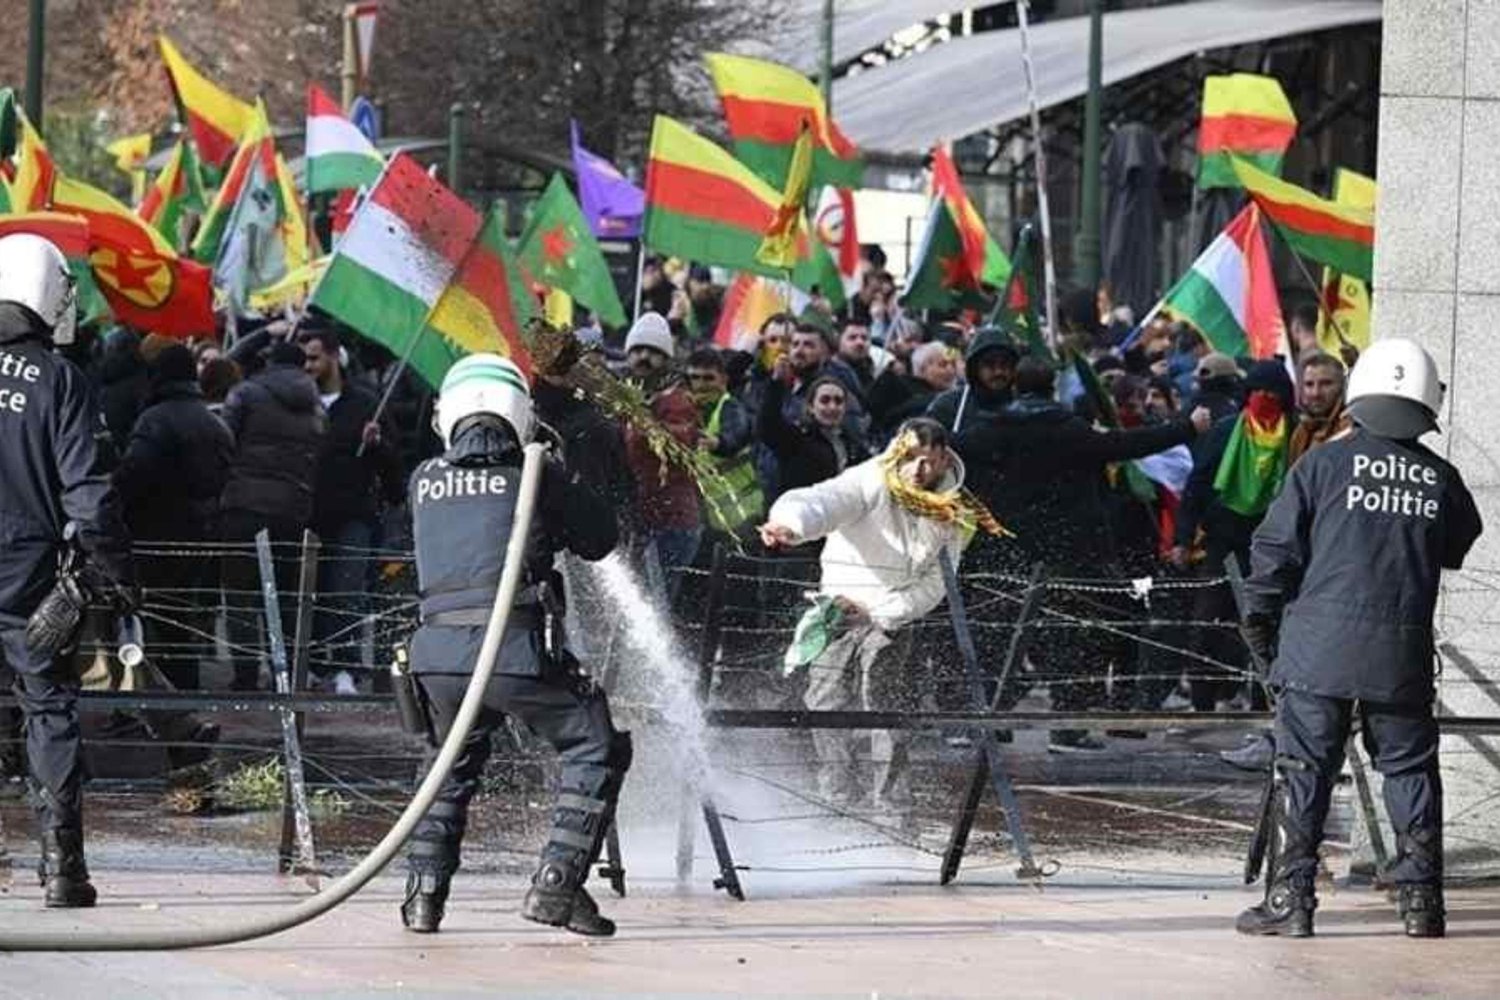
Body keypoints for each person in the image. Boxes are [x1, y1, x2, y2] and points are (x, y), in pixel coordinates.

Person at [1235, 338, 1480, 939]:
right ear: (1427, 401)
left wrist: (1259, 627)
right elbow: (1458, 543)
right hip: (1399, 652)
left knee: (1304, 769)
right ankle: (1423, 904)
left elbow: (1272, 555)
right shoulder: (1439, 478)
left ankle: (1292, 903)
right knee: (1410, 771)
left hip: (1317, 648)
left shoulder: (1321, 465)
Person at [400, 354, 626, 937]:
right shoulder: (535, 472)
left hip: (439, 659)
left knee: (447, 766)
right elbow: (601, 538)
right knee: (594, 745)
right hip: (516, 649)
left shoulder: (423, 478)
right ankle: (557, 884)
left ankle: (423, 898)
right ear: (519, 413)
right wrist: (560, 471)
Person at [955, 356, 1211, 751]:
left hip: (1011, 549)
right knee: (1073, 639)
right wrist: (1186, 428)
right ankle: (1067, 725)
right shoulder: (1069, 429)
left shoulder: (991, 428)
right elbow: (1126, 445)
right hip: (1071, 551)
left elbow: (955, 446)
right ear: (1052, 387)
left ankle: (989, 718)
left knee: (1006, 638)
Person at [761, 418, 1000, 808]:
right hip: (838, 608)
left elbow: (937, 584)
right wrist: (790, 525)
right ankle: (837, 795)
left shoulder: (953, 510)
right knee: (826, 700)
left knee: (883, 705)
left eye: (929, 461)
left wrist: (881, 614)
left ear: (944, 461)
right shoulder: (867, 480)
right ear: (895, 452)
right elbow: (821, 500)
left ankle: (892, 806)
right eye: (910, 458)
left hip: (894, 615)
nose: (918, 470)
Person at [0, 234, 134, 907]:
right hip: (29, 574)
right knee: (49, 711)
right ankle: (62, 867)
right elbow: (90, 491)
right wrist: (113, 571)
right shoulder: (58, 380)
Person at [1172, 360, 1295, 713]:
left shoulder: (1295, 435)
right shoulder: (1226, 432)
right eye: (1258, 392)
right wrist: (1183, 537)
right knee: (1206, 626)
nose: (1265, 400)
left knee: (1262, 630)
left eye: (1273, 394)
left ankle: (1260, 707)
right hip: (1222, 545)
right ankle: (1202, 706)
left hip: (1272, 549)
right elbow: (1196, 486)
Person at [114, 344, 233, 693]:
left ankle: (151, 700)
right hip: (200, 535)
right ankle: (183, 695)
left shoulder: (156, 419)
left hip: (154, 535)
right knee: (181, 620)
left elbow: (133, 476)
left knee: (149, 621)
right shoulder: (216, 424)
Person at [218, 337, 327, 690]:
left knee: (240, 595)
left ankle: (246, 676)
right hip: (293, 510)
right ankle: (286, 675)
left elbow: (223, 442)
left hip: (243, 505)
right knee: (285, 597)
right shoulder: (315, 405)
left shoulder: (246, 394)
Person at [301, 327, 404, 693]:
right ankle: (312, 667)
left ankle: (344, 669)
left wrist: (377, 445)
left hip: (353, 515)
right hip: (306, 515)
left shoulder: (365, 404)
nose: (308, 366)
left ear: (333, 355)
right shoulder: (298, 402)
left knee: (346, 593)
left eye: (314, 357)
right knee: (307, 594)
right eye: (304, 359)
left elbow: (394, 470)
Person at [621, 311, 702, 592]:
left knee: (657, 604)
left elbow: (676, 442)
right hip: (642, 520)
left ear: (666, 360)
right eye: (638, 350)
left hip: (672, 523)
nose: (644, 357)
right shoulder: (625, 397)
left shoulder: (677, 402)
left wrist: (642, 419)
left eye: (653, 352)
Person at [759, 365, 869, 499]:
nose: (832, 407)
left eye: (838, 401)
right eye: (825, 400)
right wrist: (776, 384)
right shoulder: (797, 438)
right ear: (811, 407)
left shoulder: (849, 441)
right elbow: (767, 426)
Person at [926, 327, 1020, 434]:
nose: (998, 372)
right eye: (989, 364)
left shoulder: (1024, 405)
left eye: (1004, 365)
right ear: (975, 368)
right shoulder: (949, 406)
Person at [868, 341, 957, 438]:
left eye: (953, 365)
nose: (950, 370)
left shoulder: (952, 398)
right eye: (942, 365)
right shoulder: (903, 391)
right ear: (922, 369)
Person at [1288, 351, 1352, 466]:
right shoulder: (1300, 433)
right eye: (1309, 384)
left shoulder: (1350, 431)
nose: (1315, 393)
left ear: (1342, 386)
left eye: (1326, 384)